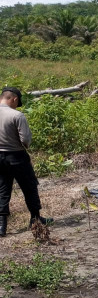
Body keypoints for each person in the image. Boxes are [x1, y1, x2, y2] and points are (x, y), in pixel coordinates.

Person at [0, 87, 52, 236]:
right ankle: (35, 219)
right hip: (16, 156)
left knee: (3, 189)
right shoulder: (17, 115)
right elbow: (26, 140)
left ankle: (1, 227)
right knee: (29, 187)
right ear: (14, 99)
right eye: (17, 102)